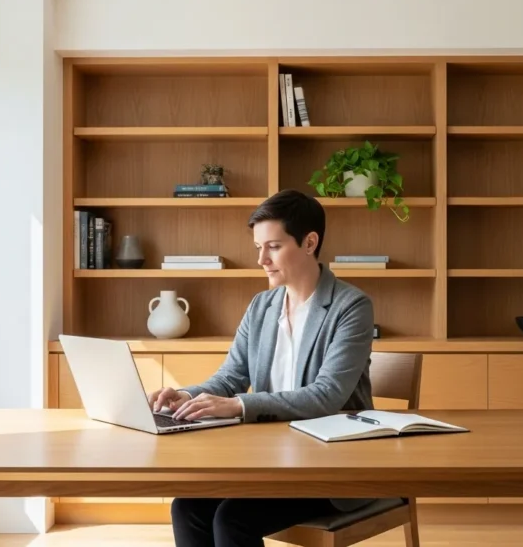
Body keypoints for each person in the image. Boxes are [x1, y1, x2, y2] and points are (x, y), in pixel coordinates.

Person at [147, 189, 377, 547]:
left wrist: (240, 405)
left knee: (232, 518)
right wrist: (185, 395)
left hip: (331, 466)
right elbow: (232, 375)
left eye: (272, 247)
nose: (261, 260)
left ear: (309, 242)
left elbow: (328, 395)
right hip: (270, 459)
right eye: (258, 247)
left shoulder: (351, 306)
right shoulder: (262, 306)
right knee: (186, 507)